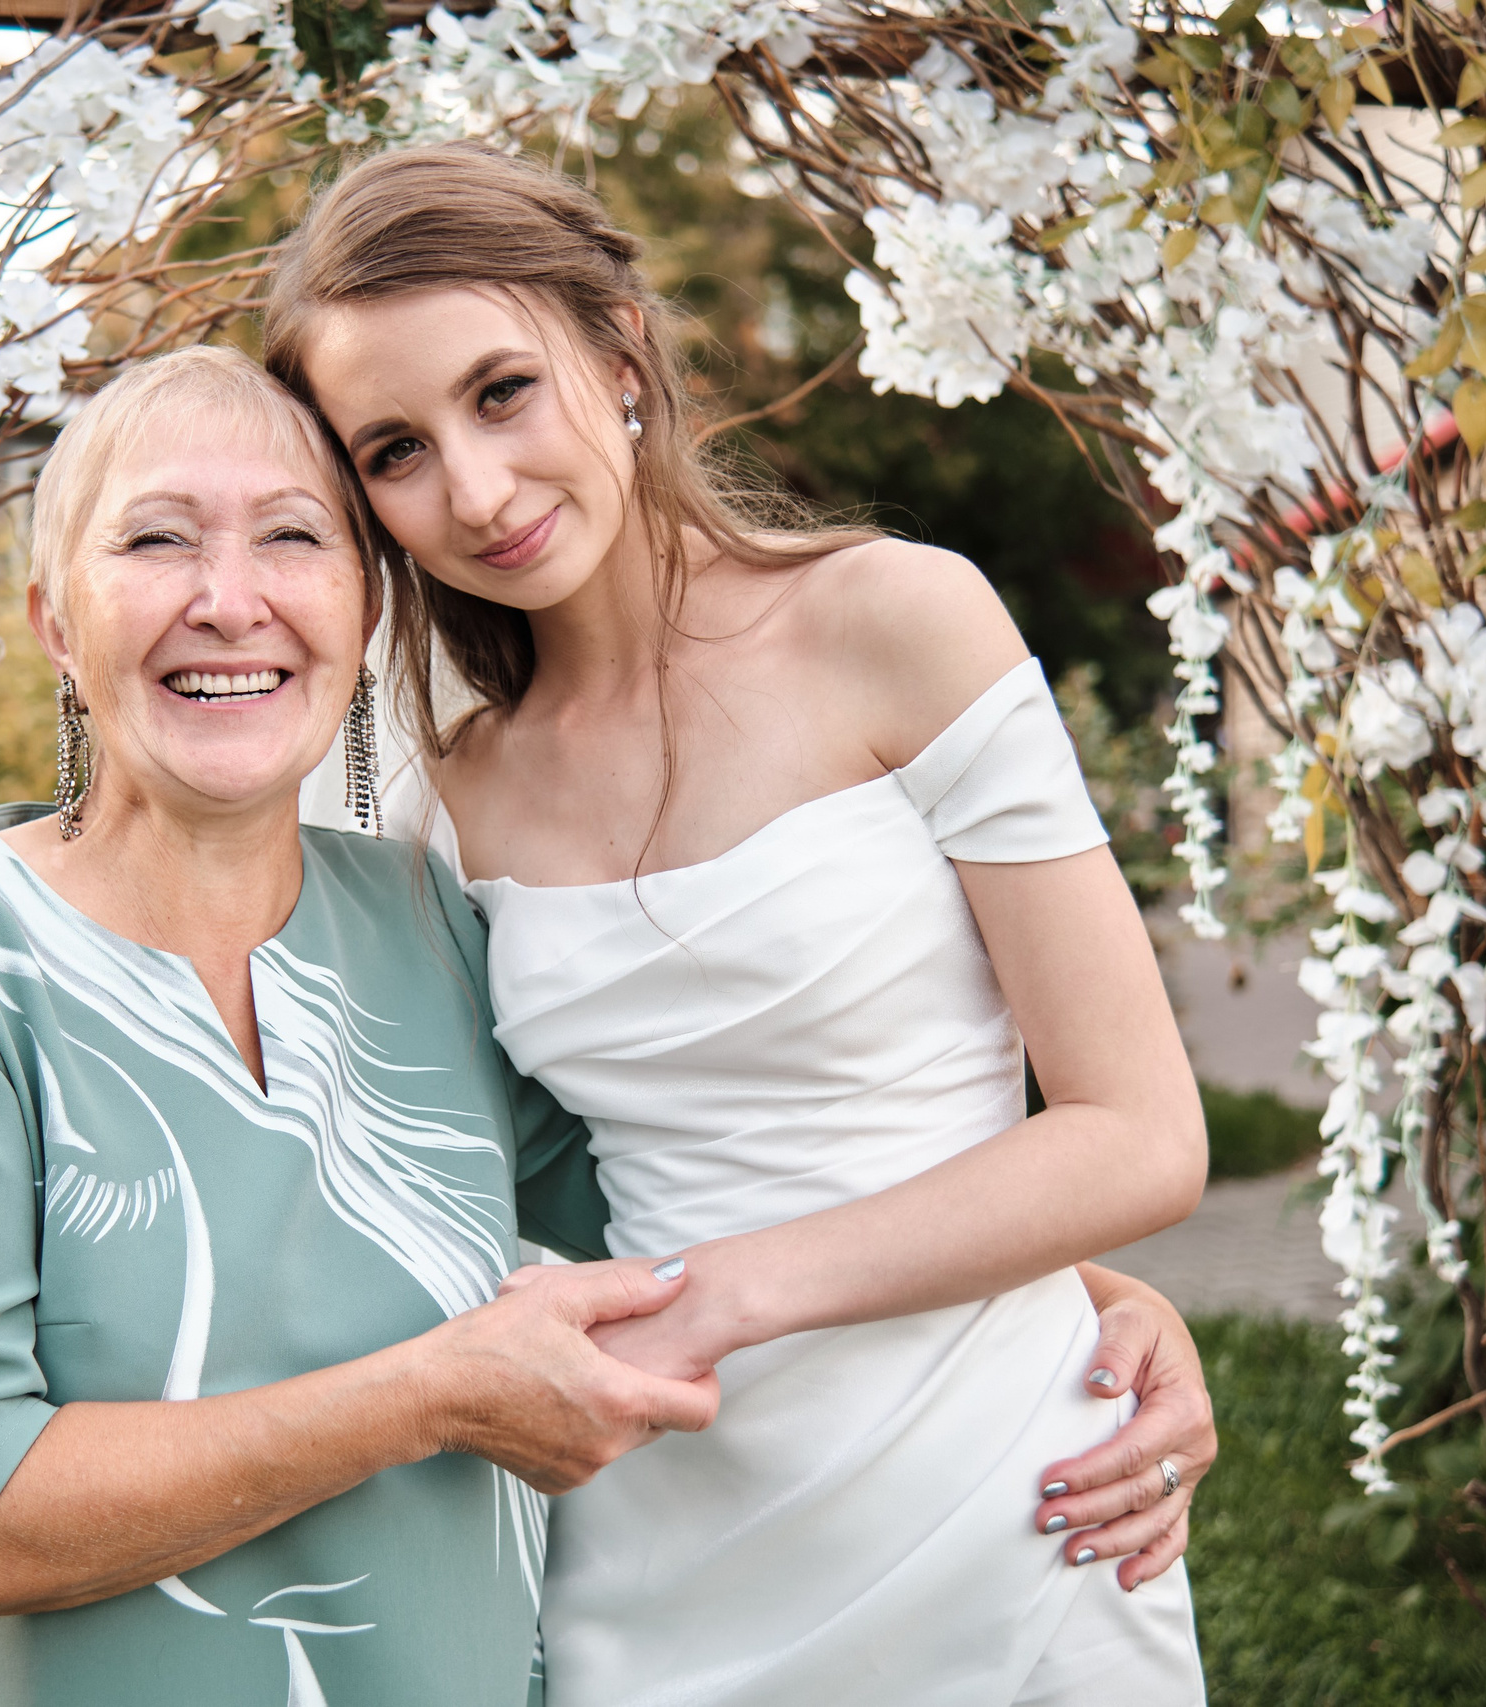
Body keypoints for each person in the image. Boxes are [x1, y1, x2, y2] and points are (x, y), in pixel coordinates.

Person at [265, 142, 1214, 1704]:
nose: (478, 490)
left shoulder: (896, 621)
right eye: (397, 449)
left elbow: (1139, 1132)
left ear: (621, 351)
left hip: (1015, 1505)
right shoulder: (440, 795)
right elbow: (413, 1178)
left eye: (503, 391)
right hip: (654, 1535)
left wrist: (735, 1294)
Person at [0, 345, 725, 1707]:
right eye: (155, 541)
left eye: (292, 538)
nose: (229, 602)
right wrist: (433, 1394)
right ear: (54, 623)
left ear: (367, 606)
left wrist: (1039, 1281)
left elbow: (675, 1211)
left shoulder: (427, 921)